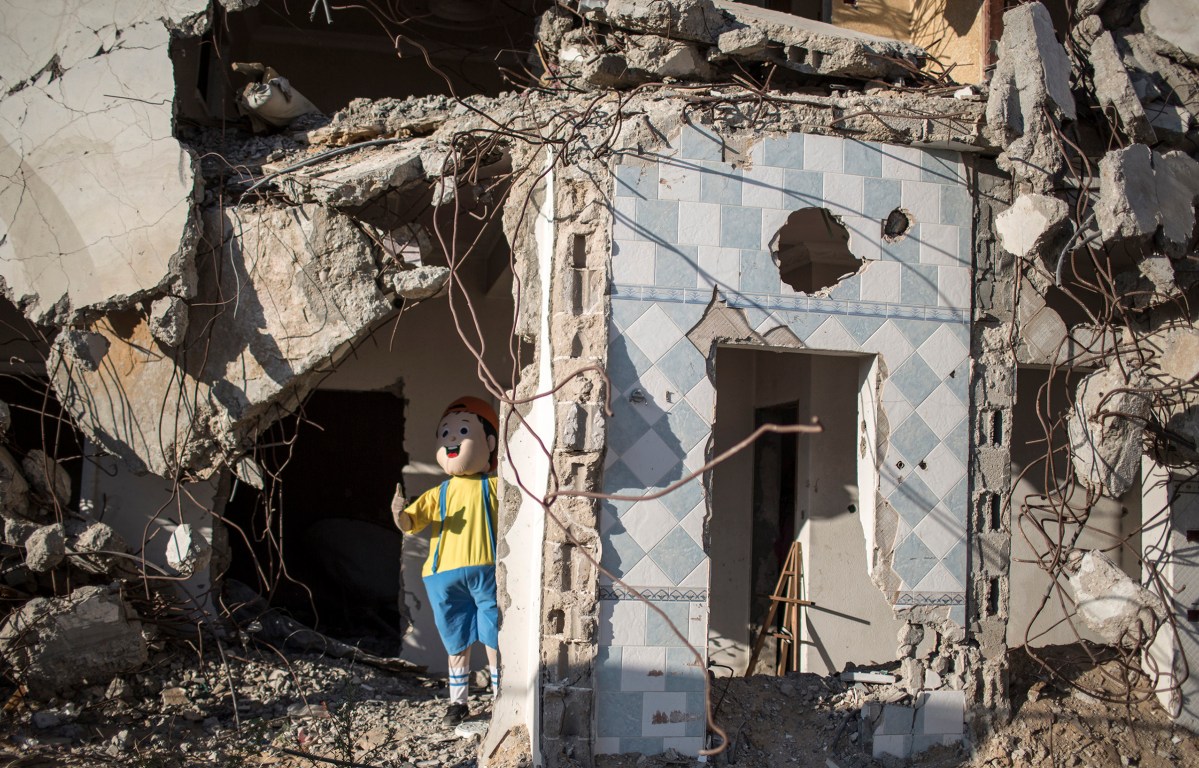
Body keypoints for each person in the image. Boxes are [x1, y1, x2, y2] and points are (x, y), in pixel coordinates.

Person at [392, 396, 500, 726]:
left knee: (496, 637)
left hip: (487, 573)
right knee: (456, 642)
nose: (452, 439)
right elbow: (412, 522)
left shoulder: (497, 486)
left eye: (463, 431)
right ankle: (458, 703)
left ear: (490, 442)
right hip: (443, 577)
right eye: (446, 433)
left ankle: (502, 696)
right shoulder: (439, 493)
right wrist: (398, 512)